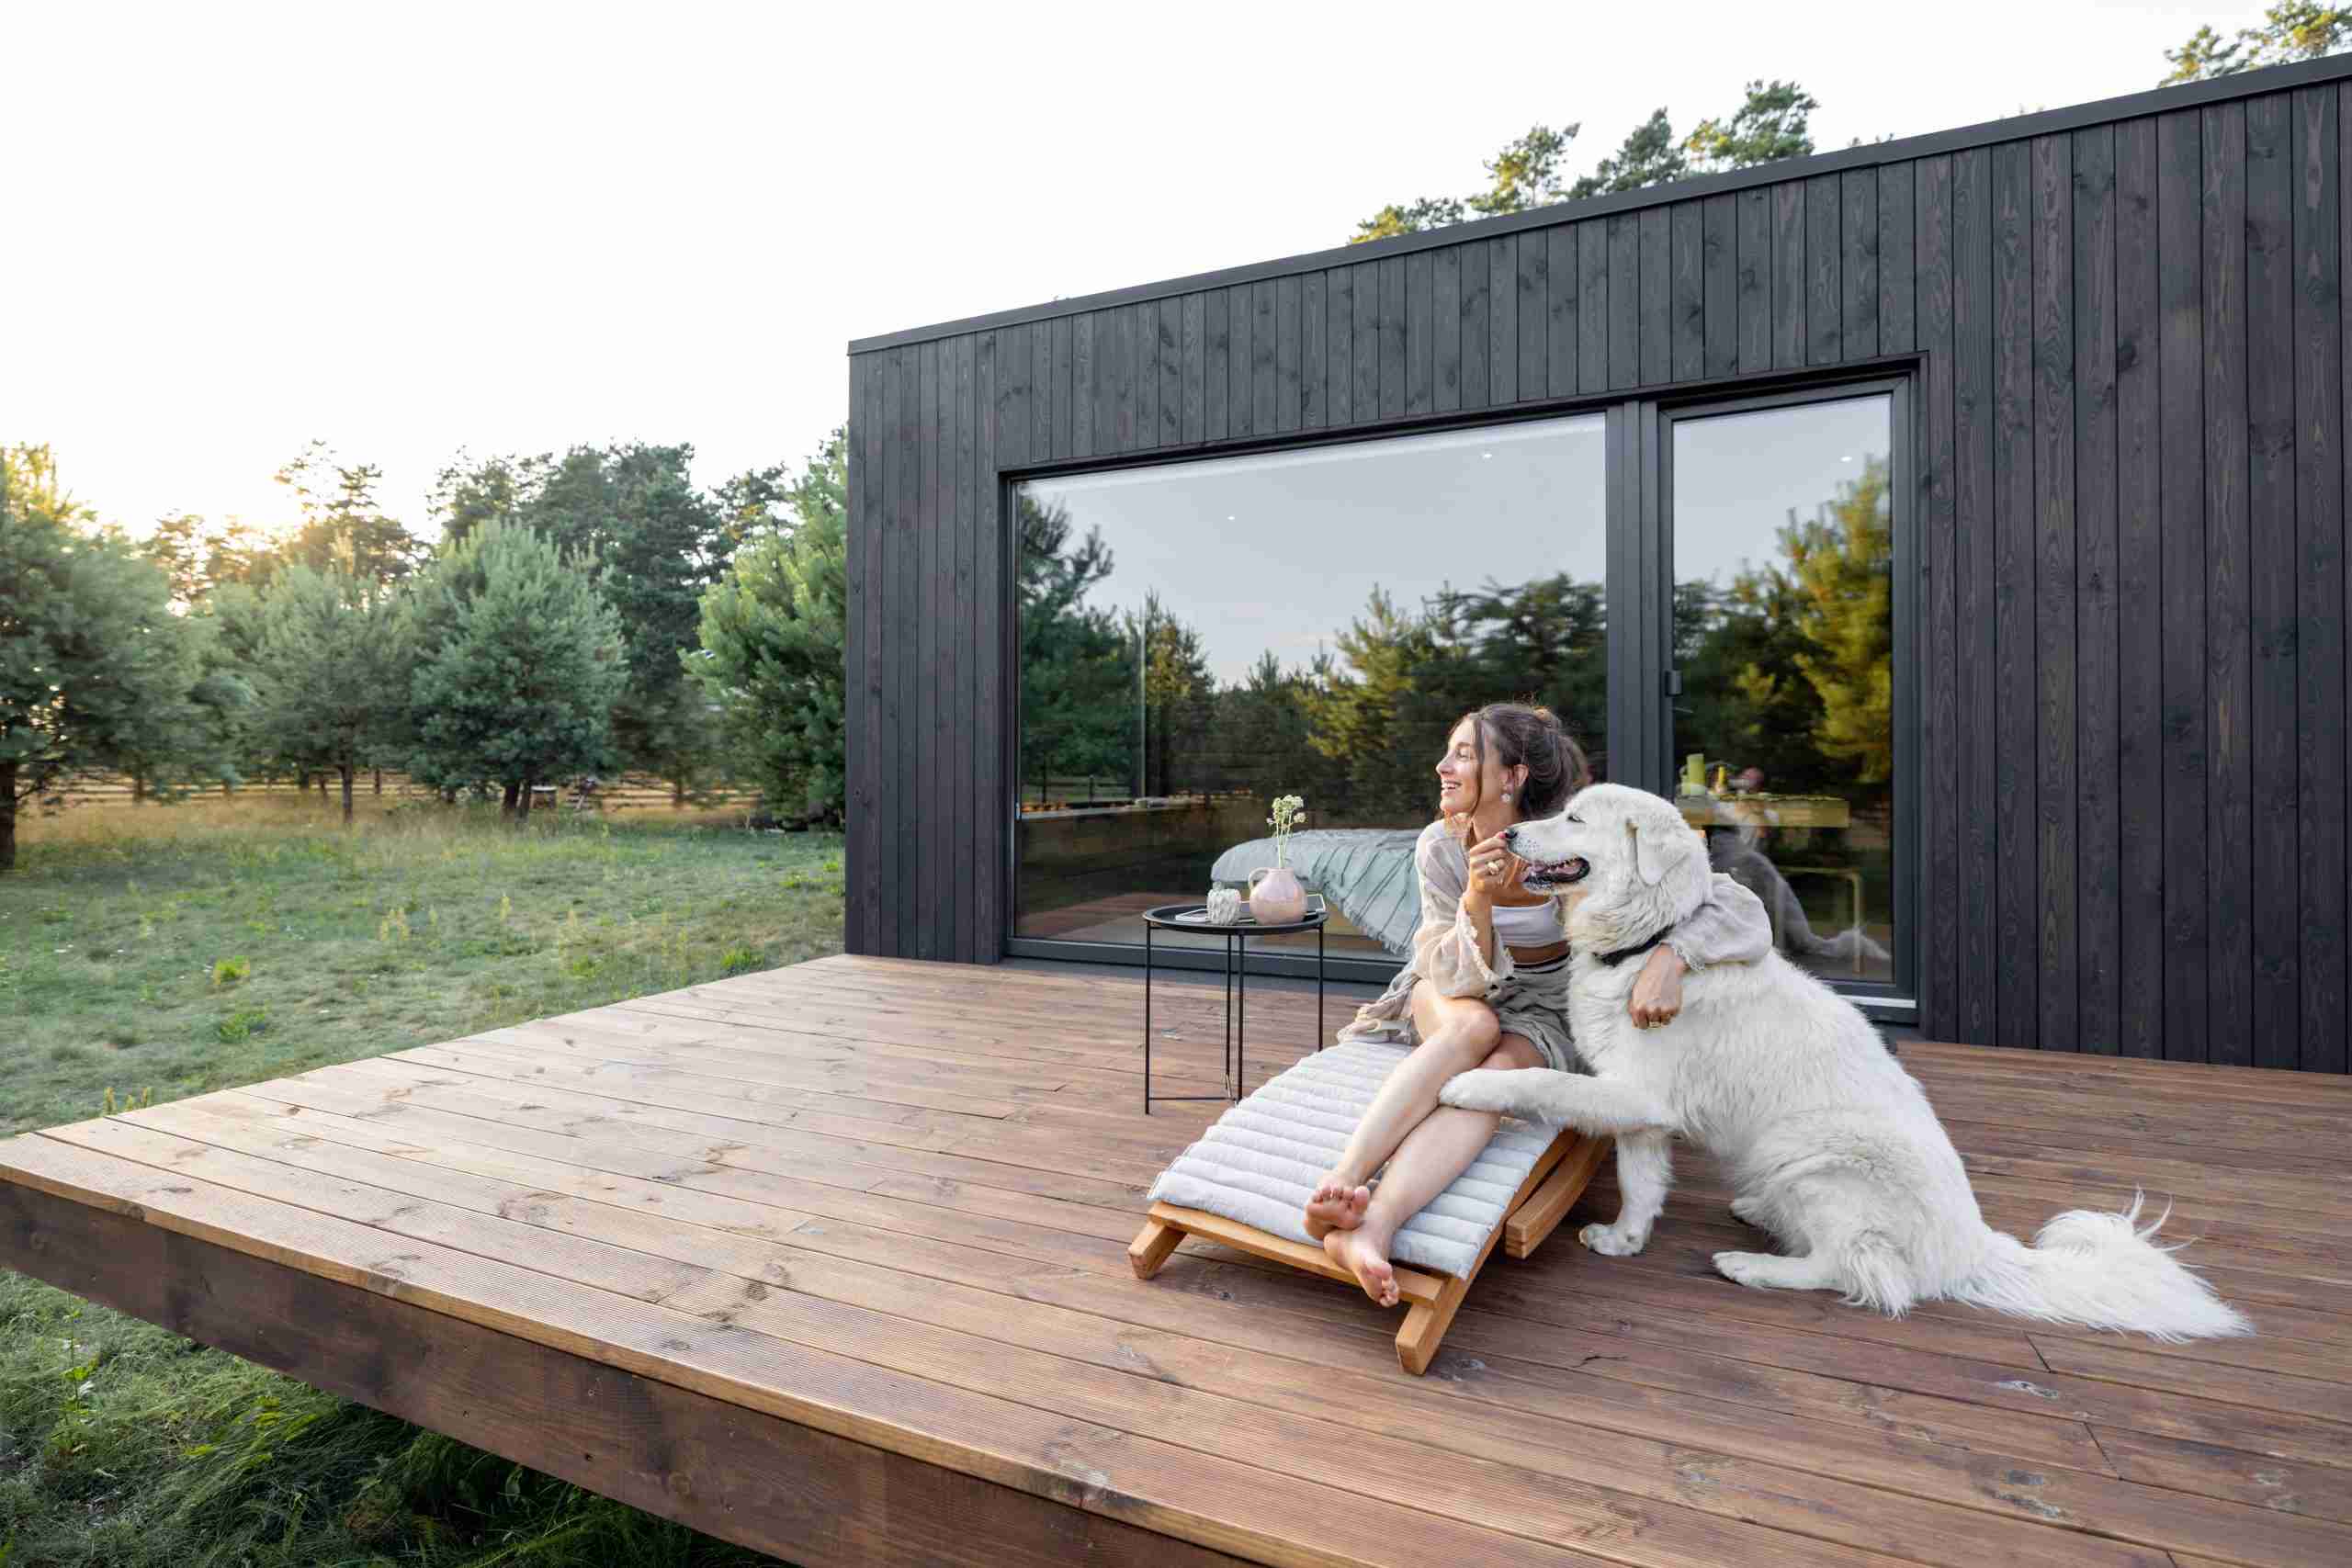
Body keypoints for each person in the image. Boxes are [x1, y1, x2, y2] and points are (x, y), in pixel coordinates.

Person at [1304, 702, 1773, 1306]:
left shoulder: (1575, 837)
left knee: (1499, 1076)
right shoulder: (1441, 847)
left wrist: (1670, 959)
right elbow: (1445, 971)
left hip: (1550, 1007)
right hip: (1458, 994)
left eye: (1464, 753)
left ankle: (1373, 1225)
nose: (1443, 765)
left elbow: (1738, 908)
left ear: (1512, 776)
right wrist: (1477, 899)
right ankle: (1341, 1183)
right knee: (1472, 1028)